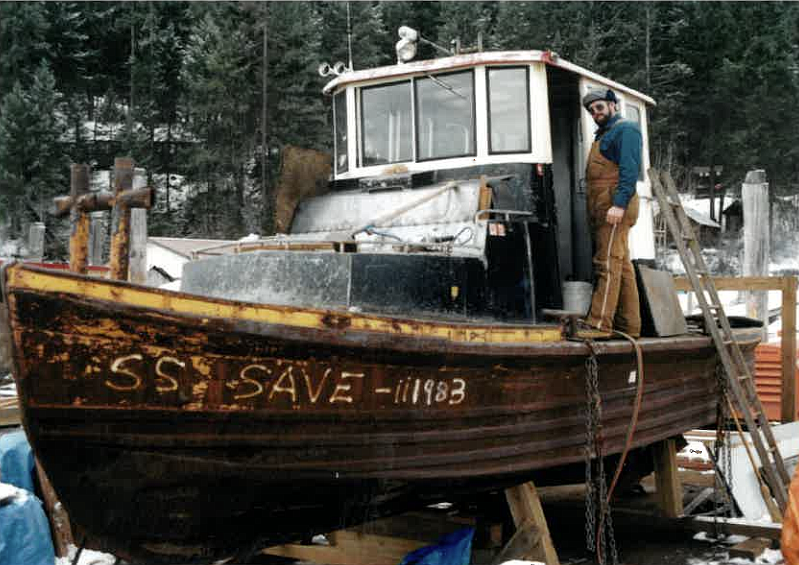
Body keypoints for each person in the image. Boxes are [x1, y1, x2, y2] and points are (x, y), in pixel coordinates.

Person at [580, 88, 642, 338]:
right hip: (603, 206)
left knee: (606, 264)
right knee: (621, 265)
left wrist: (619, 204)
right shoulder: (603, 135)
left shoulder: (626, 130)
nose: (596, 113)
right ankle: (630, 326)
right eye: (592, 110)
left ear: (613, 105)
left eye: (600, 108)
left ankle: (598, 325)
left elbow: (629, 170)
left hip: (615, 206)